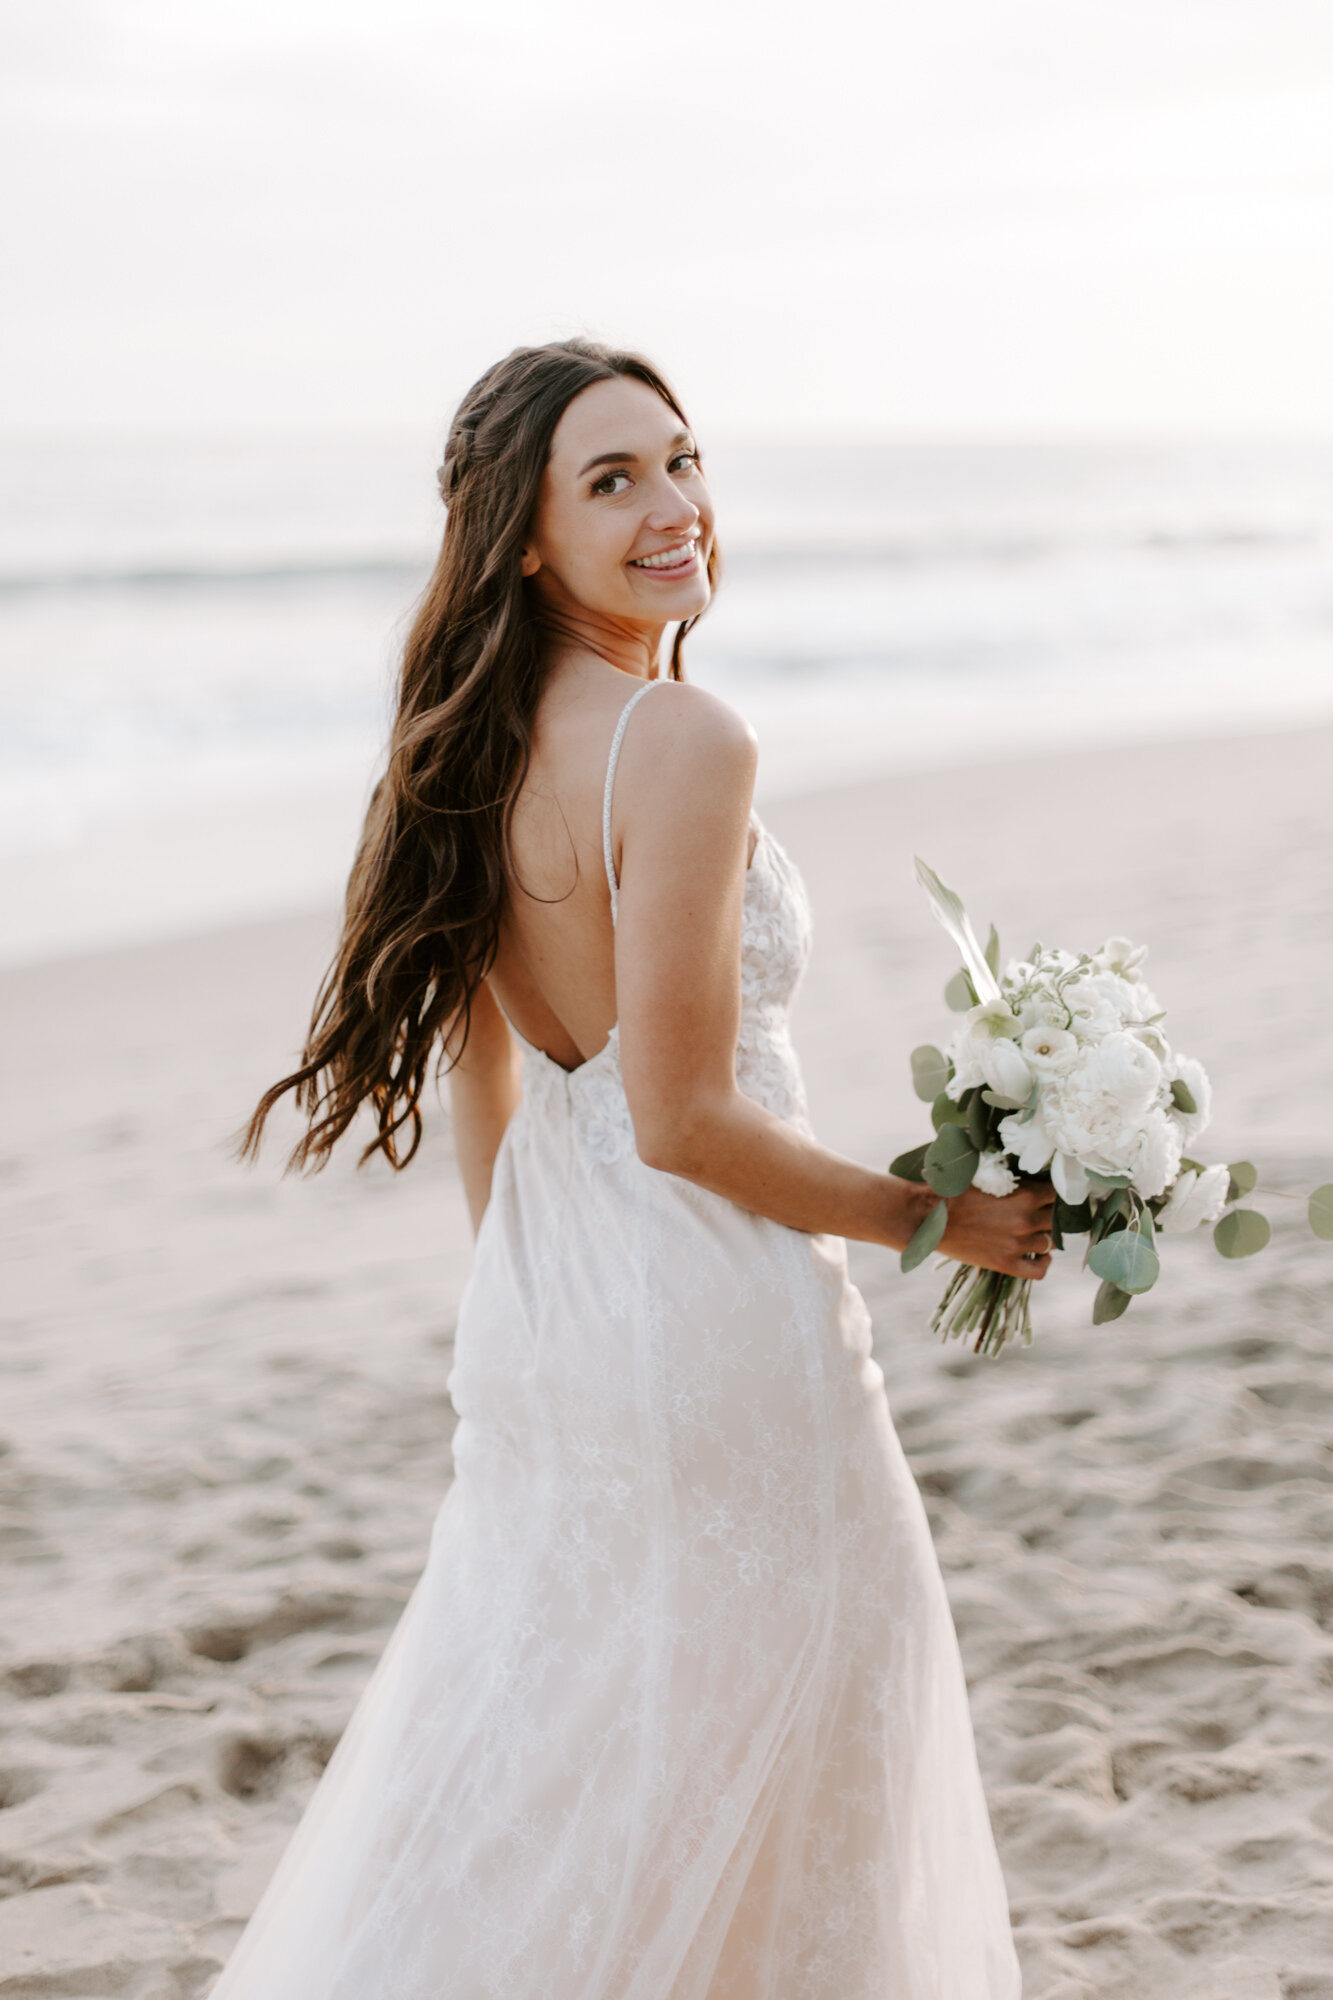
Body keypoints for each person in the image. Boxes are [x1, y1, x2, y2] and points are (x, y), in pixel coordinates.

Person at [221, 338, 1051, 1999]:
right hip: (715, 1302)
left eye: (680, 461)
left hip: (550, 1313)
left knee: (563, 1755)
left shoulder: (450, 755)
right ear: (523, 538)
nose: (675, 506)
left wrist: (529, 1309)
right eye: (612, 480)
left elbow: (496, 1091)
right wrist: (932, 1216)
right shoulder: (677, 737)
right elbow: (680, 1117)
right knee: (793, 1736)